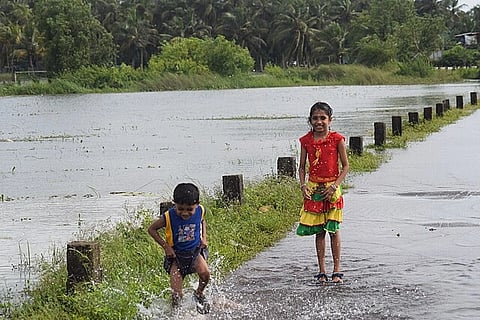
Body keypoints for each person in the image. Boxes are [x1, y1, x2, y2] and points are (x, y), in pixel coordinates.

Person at [296, 102, 349, 284]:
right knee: (319, 231)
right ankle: (322, 270)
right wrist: (303, 186)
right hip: (314, 188)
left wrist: (334, 186)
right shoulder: (306, 141)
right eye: (315, 118)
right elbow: (302, 167)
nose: (319, 122)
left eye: (323, 118)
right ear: (310, 120)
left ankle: (337, 269)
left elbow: (346, 166)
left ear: (330, 120)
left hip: (332, 187)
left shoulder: (337, 139)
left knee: (333, 230)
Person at [148, 183, 210, 312]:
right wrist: (166, 247)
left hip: (195, 252)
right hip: (176, 256)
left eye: (189, 209)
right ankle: (176, 313)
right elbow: (152, 229)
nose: (185, 213)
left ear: (197, 204)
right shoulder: (168, 216)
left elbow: (202, 221)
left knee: (205, 275)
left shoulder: (200, 210)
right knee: (176, 294)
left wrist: (204, 237)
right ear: (174, 203)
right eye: (180, 208)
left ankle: (198, 293)